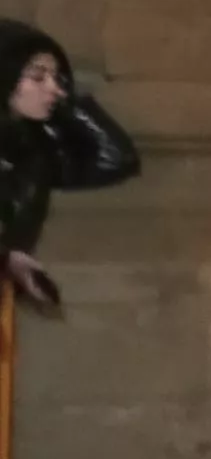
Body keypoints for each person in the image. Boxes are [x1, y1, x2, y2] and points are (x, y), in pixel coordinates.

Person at [0, 21, 140, 309]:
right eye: (38, 77)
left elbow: (115, 159)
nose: (53, 88)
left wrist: (68, 106)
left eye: (57, 78)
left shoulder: (34, 151)